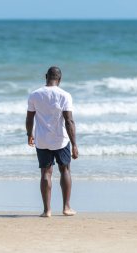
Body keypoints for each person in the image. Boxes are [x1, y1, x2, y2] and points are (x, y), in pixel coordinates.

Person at [26, 66, 79, 217]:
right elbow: (69, 121)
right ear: (60, 79)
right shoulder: (65, 95)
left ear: (46, 76)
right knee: (65, 170)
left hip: (42, 139)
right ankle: (66, 207)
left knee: (45, 172)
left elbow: (29, 118)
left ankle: (46, 210)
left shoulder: (34, 95)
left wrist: (29, 134)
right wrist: (74, 144)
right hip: (61, 139)